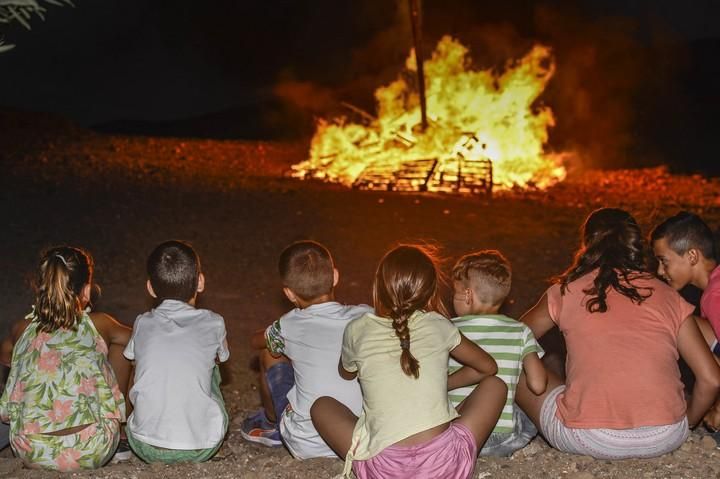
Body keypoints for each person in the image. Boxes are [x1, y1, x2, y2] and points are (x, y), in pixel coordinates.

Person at [516, 208, 720, 460]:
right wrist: (686, 423)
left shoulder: (566, 291)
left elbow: (512, 336)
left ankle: (514, 427)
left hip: (589, 437)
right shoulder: (668, 295)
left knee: (523, 366)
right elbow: (711, 378)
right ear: (635, 246)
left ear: (588, 245)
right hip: (665, 436)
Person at [311, 245, 507, 479]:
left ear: (377, 286)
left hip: (383, 470)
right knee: (496, 385)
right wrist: (444, 384)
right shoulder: (439, 324)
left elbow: (346, 373)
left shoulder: (357, 329)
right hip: (445, 467)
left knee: (321, 406)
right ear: (431, 291)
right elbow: (488, 367)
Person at [240, 240, 371, 458]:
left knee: (270, 352)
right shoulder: (366, 316)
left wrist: (275, 332)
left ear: (289, 294)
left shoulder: (289, 324)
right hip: (356, 434)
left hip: (306, 442)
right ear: (335, 276)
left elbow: (256, 341)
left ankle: (272, 424)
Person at [0, 246, 127, 470]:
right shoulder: (100, 323)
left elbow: (5, 356)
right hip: (92, 448)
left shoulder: (22, 328)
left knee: (22, 356)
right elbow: (141, 341)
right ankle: (124, 430)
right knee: (124, 348)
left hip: (31, 450)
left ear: (40, 288)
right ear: (86, 291)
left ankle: (31, 415)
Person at [123, 240, 229, 463]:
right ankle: (199, 422)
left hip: (144, 446)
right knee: (212, 366)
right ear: (200, 282)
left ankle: (141, 419)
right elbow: (222, 358)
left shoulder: (142, 323)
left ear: (150, 287)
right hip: (201, 448)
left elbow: (133, 367)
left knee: (139, 363)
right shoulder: (214, 322)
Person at [449, 250, 547, 456]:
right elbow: (538, 386)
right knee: (524, 404)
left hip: (459, 433)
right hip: (501, 441)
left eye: (454, 291)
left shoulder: (447, 329)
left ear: (467, 294)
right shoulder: (521, 331)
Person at [650, 211, 720, 430]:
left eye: (664, 261)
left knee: (679, 321)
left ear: (692, 256)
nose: (660, 271)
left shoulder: (715, 296)